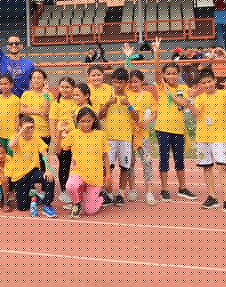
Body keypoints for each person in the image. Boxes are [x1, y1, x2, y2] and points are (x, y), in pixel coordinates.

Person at [187, 69, 226, 215]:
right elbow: (195, 114)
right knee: (207, 168)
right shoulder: (199, 98)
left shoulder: (224, 94)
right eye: (204, 83)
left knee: (223, 167)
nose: (207, 84)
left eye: (209, 81)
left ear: (215, 81)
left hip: (219, 137)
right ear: (200, 85)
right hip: (203, 137)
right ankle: (212, 197)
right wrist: (190, 99)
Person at [152, 37, 197, 202]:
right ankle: (164, 189)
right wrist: (156, 53)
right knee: (164, 159)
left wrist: (172, 94)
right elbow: (156, 71)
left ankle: (182, 187)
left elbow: (184, 104)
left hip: (179, 129)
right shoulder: (160, 87)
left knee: (180, 159)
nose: (171, 76)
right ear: (164, 75)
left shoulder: (183, 88)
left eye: (174, 73)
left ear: (179, 74)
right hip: (163, 128)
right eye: (168, 73)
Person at [59, 107, 110, 219]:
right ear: (78, 121)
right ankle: (77, 203)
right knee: (70, 185)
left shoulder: (100, 135)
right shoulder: (73, 134)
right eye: (82, 121)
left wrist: (108, 176)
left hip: (95, 178)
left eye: (88, 121)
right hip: (79, 173)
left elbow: (105, 157)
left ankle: (100, 197)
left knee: (90, 212)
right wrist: (59, 132)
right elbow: (59, 149)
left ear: (93, 120)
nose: (86, 124)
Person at [98, 68, 137, 207]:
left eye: (120, 82)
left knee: (125, 166)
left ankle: (120, 193)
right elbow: (99, 116)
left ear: (126, 83)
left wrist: (130, 106)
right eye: (114, 82)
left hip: (125, 138)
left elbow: (137, 118)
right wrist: (108, 104)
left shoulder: (131, 97)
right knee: (108, 166)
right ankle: (107, 192)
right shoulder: (107, 96)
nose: (117, 85)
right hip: (109, 138)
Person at [10, 116, 56, 217]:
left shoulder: (36, 138)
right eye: (27, 127)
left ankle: (47, 205)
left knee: (49, 178)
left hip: (33, 172)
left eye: (32, 127)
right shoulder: (16, 138)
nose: (30, 130)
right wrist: (21, 131)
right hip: (19, 177)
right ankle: (34, 195)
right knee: (22, 207)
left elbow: (45, 155)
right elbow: (11, 145)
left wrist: (48, 170)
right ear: (20, 128)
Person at [0, 0, 35, 97]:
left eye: (16, 43)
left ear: (21, 46)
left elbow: (37, 83)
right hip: (4, 104)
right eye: (11, 43)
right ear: (8, 46)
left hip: (22, 105)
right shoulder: (2, 60)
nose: (14, 45)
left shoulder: (29, 64)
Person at [125, 69, 157, 206]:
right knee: (129, 163)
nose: (133, 84)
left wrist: (147, 121)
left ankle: (149, 191)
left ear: (142, 81)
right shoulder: (126, 93)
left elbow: (155, 112)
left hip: (143, 135)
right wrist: (127, 59)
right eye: (131, 82)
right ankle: (132, 189)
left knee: (147, 162)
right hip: (128, 135)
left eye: (136, 81)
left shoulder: (148, 95)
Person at [49, 77, 78, 206]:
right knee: (64, 165)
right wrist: (56, 141)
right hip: (63, 140)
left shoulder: (77, 101)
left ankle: (78, 188)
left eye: (67, 87)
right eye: (62, 87)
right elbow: (52, 123)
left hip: (77, 139)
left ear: (73, 88)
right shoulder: (56, 103)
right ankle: (64, 190)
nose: (64, 89)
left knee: (77, 164)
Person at [20, 69, 52, 151]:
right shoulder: (26, 94)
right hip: (29, 133)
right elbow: (22, 110)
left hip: (44, 133)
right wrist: (38, 111)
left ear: (44, 80)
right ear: (31, 80)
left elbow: (45, 113)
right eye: (34, 78)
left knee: (42, 160)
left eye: (39, 78)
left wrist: (45, 94)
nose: (36, 80)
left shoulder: (48, 95)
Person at [0, 73, 20, 155]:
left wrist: (16, 133)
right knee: (0, 156)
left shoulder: (15, 99)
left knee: (10, 156)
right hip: (0, 133)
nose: (3, 86)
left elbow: (17, 117)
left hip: (11, 134)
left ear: (11, 85)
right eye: (1, 84)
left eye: (5, 84)